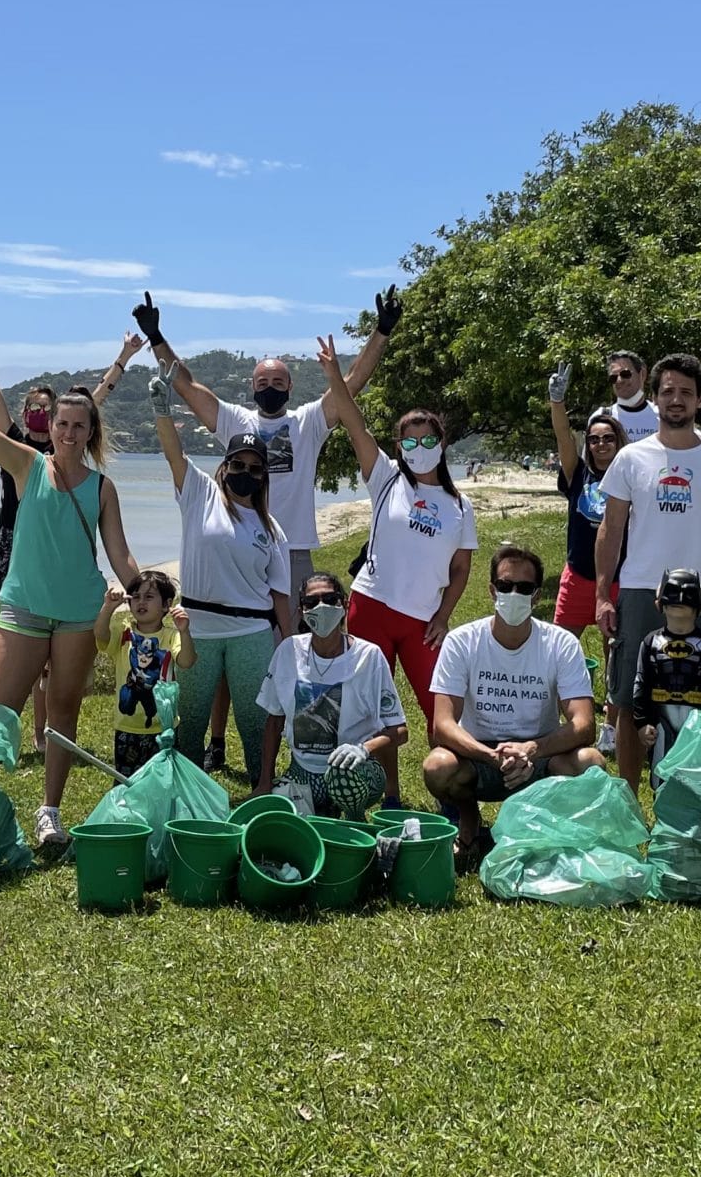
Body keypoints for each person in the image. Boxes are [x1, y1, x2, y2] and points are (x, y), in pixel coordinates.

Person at [146, 286, 395, 766]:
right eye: (264, 380)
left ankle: (299, 748)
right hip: (232, 551)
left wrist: (380, 332)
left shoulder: (307, 422)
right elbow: (187, 386)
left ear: (290, 388)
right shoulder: (235, 420)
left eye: (279, 381)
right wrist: (158, 337)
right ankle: (215, 742)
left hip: (291, 550)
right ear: (251, 385)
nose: (272, 387)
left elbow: (352, 385)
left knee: (287, 651)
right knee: (219, 647)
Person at [0, 340, 142, 857]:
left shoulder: (103, 488)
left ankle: (50, 812)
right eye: (61, 424)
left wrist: (148, 591)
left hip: (78, 613)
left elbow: (121, 555)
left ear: (91, 432)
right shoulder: (27, 465)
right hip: (21, 606)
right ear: (53, 428)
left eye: (78, 426)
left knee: (63, 712)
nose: (67, 432)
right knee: (1, 711)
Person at [0, 307, 141, 735]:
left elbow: (95, 401)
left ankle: (40, 734)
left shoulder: (86, 460)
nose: (63, 429)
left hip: (66, 582)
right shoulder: (18, 448)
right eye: (41, 413)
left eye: (51, 411)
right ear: (46, 422)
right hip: (14, 552)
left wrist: (123, 358)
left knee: (59, 690)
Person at [315, 334, 477, 807]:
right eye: (410, 439)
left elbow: (462, 568)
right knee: (371, 709)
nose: (419, 446)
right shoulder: (385, 478)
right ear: (399, 445)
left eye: (429, 439)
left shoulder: (459, 504)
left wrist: (444, 616)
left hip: (424, 622)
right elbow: (352, 420)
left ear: (443, 443)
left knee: (439, 710)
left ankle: (452, 792)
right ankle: (387, 794)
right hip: (372, 607)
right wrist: (332, 375)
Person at [592, 353, 701, 781]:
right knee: (628, 697)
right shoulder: (631, 458)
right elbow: (611, 527)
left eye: (685, 392)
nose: (676, 400)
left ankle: (691, 797)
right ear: (656, 398)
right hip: (642, 591)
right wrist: (603, 595)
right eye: (668, 392)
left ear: (700, 400)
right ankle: (627, 801)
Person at [150, 380, 295, 788]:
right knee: (190, 719)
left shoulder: (272, 529)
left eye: (254, 468)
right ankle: (191, 800)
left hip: (252, 632)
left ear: (263, 475)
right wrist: (162, 409)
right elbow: (173, 453)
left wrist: (290, 642)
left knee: (255, 722)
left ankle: (261, 791)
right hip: (198, 629)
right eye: (238, 465)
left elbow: (280, 593)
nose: (244, 473)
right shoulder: (199, 493)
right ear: (225, 465)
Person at [422, 543, 601, 865]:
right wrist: (491, 756)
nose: (514, 594)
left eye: (525, 588)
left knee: (590, 762)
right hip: (479, 757)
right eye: (505, 586)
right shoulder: (462, 641)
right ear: (492, 591)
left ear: (536, 595)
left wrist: (532, 749)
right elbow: (443, 725)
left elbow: (585, 724)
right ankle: (469, 819)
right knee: (437, 766)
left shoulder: (561, 643)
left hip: (542, 757)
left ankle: (545, 823)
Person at [254, 570, 407, 816]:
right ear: (302, 610)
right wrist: (264, 782)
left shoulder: (369, 657)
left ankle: (355, 822)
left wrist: (364, 749)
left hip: (354, 768)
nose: (321, 607)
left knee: (341, 775)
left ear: (345, 604)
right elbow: (274, 721)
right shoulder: (288, 652)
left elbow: (399, 730)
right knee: (275, 819)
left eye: (330, 599)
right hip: (302, 770)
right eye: (311, 602)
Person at [544, 366, 624, 645]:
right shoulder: (577, 473)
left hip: (618, 578)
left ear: (618, 441)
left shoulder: (630, 476)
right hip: (577, 575)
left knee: (614, 651)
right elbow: (563, 436)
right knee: (561, 648)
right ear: (587, 444)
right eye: (594, 439)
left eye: (608, 438)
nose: (601, 444)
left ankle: (612, 690)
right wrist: (557, 401)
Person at [623, 565, 701, 774]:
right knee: (662, 775)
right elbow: (641, 684)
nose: (680, 600)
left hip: (700, 724)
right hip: (661, 724)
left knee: (697, 778)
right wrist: (642, 723)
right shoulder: (651, 642)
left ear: (700, 605)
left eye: (687, 595)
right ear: (659, 603)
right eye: (673, 594)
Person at [97, 574, 195, 774]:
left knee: (163, 779)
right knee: (128, 780)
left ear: (167, 605)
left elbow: (187, 661)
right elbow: (100, 635)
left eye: (149, 597)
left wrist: (185, 632)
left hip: (164, 728)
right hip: (127, 727)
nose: (141, 602)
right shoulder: (125, 634)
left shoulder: (171, 636)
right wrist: (108, 608)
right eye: (136, 596)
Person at [595, 351, 659, 445]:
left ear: (642, 374)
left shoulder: (663, 416)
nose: (619, 380)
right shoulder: (601, 417)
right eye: (613, 377)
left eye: (625, 374)